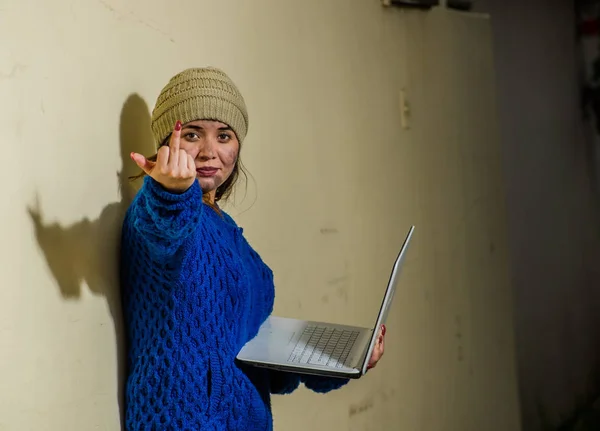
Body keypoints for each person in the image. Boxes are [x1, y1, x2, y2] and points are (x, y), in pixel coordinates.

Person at [120, 67, 386, 431]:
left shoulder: (228, 231)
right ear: (167, 143)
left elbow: (250, 350)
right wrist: (171, 192)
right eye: (193, 134)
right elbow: (166, 232)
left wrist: (342, 358)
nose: (209, 151)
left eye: (224, 136)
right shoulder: (155, 209)